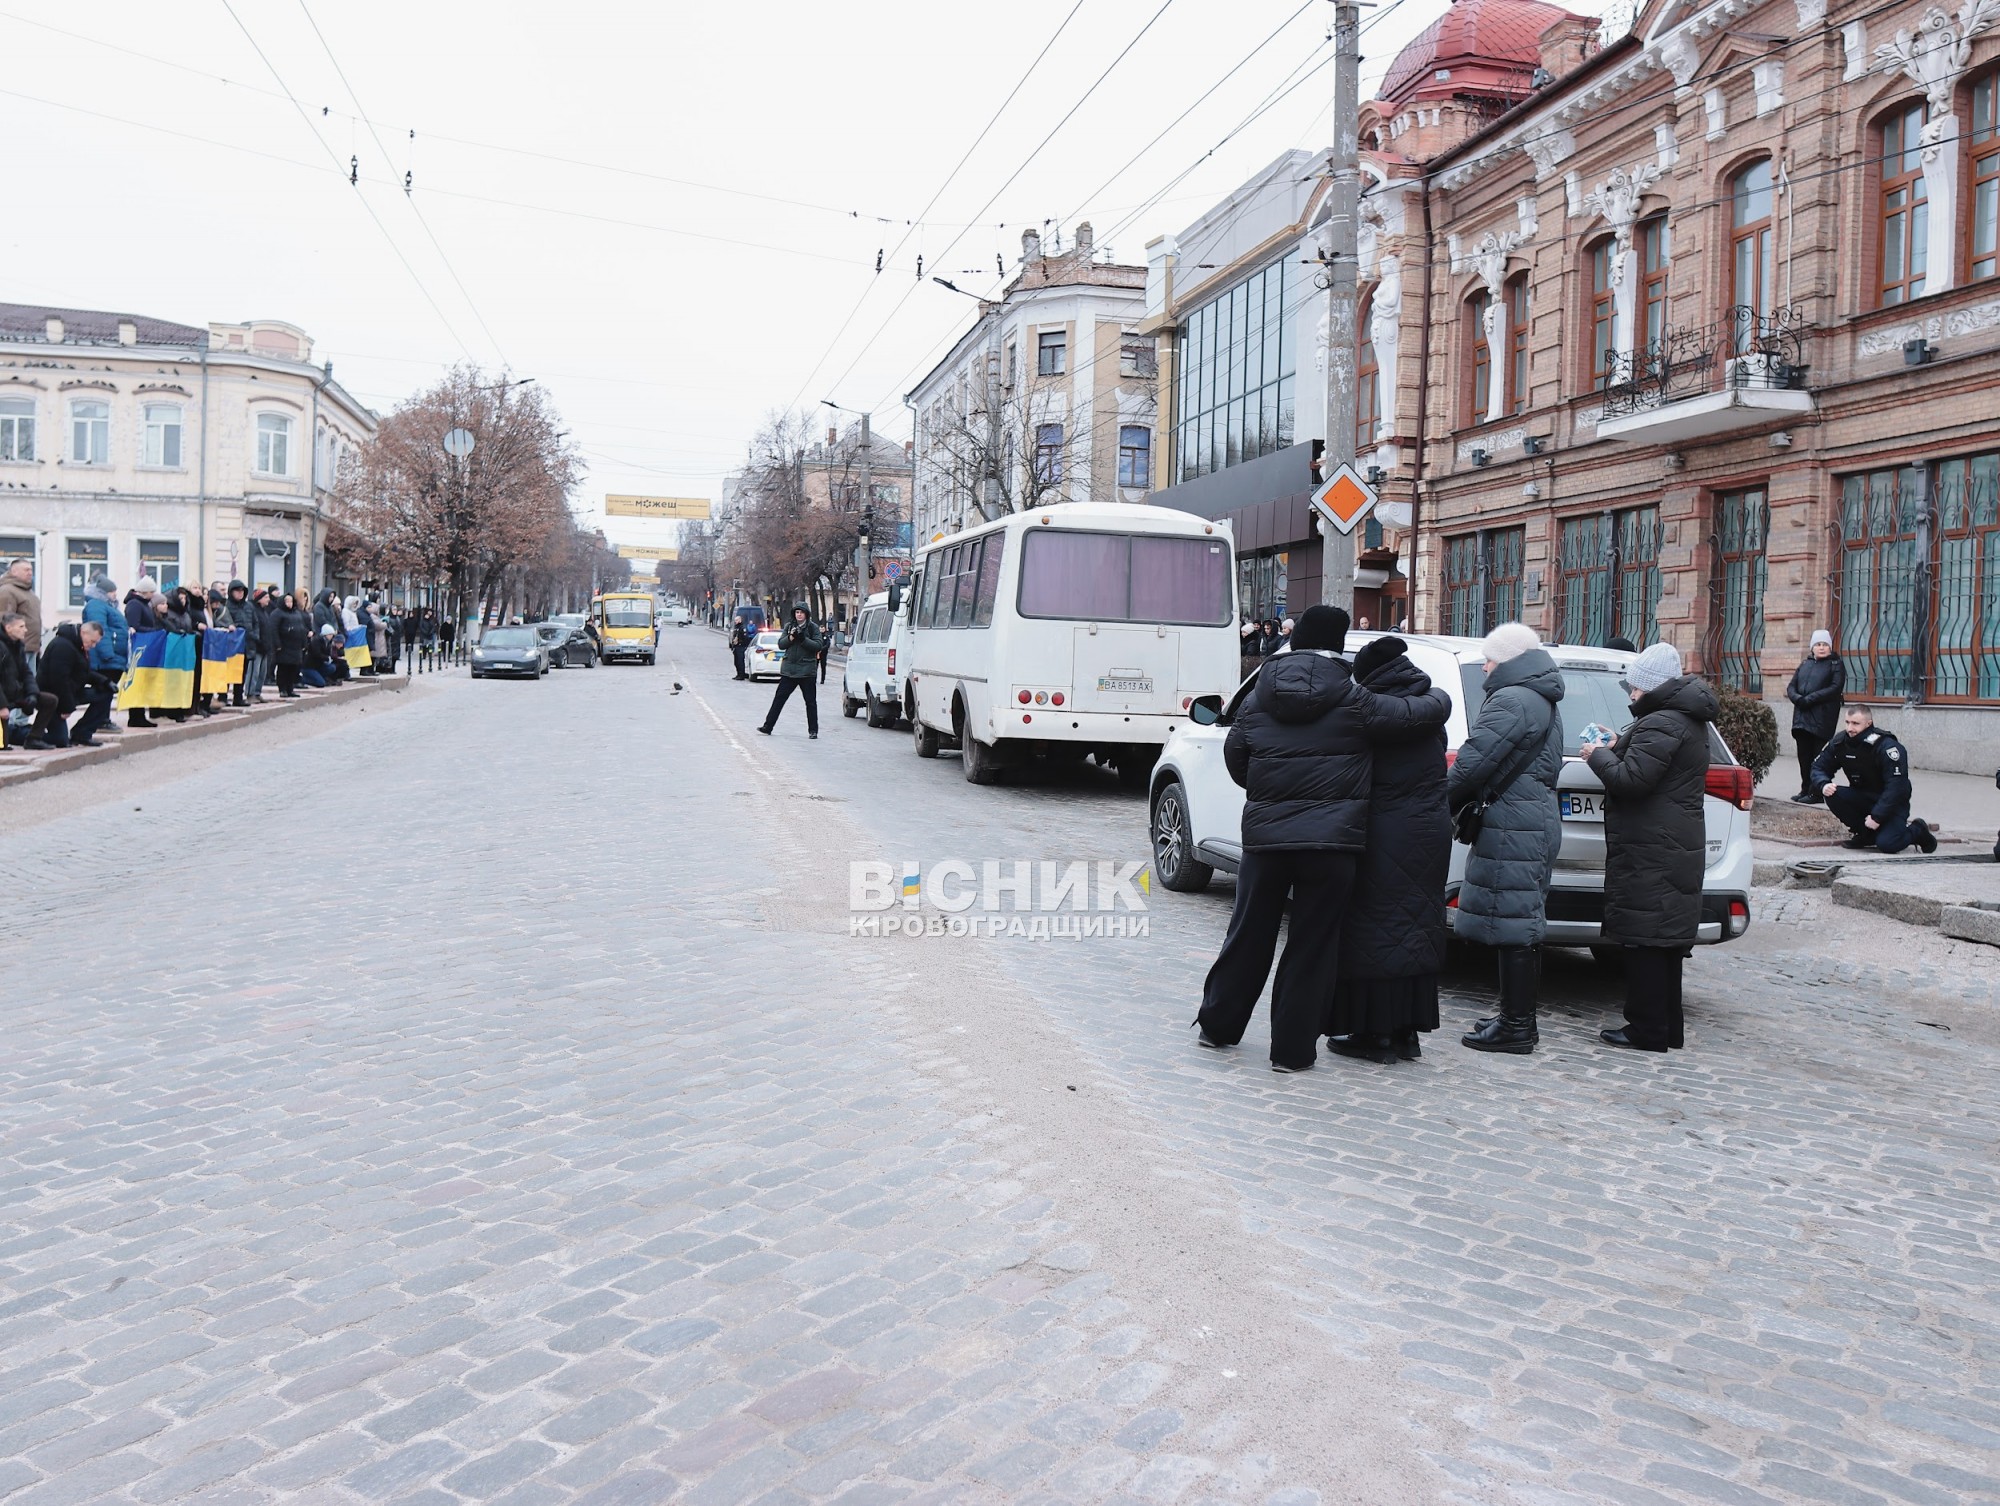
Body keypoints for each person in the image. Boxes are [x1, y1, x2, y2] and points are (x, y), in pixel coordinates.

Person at [1195, 606, 1450, 1072]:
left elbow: (1237, 760)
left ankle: (1217, 1026)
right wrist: (1440, 697)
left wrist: (1271, 791)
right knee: (1312, 947)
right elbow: (1421, 714)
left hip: (1266, 843)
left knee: (1248, 934)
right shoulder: (1356, 700)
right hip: (1332, 847)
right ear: (1340, 644)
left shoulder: (1257, 699)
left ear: (1294, 641)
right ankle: (1290, 1054)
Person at [1585, 642, 1718, 1052]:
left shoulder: (1663, 722)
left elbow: (1631, 780)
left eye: (1635, 687)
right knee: (1664, 942)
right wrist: (1618, 745)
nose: (1631, 695)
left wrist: (1596, 757)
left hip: (1653, 846)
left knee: (1646, 940)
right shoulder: (1683, 718)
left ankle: (1645, 1028)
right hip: (1671, 842)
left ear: (1651, 687)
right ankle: (1665, 1028)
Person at [1327, 635, 1453, 1064]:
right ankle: (1407, 1033)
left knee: (1373, 928)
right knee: (1416, 925)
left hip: (1382, 829)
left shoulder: (1370, 711)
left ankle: (1374, 1033)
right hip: (1430, 830)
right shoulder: (1430, 706)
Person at [1450, 623, 1566, 1055]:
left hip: (1514, 823)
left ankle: (1517, 1026)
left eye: (1491, 659)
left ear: (1510, 661)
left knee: (1515, 925)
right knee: (1522, 920)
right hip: (1530, 819)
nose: (1485, 665)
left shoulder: (1512, 699)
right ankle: (1514, 1017)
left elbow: (1470, 764)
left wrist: (1432, 802)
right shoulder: (1540, 696)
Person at [1811, 705, 1937, 853]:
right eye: (1847, 722)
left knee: (1888, 844)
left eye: (1855, 723)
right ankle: (1865, 834)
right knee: (1832, 793)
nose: (1850, 728)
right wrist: (1823, 784)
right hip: (1863, 796)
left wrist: (1877, 817)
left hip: (1891, 803)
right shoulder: (1840, 742)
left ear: (1868, 724)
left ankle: (1917, 830)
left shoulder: (1887, 746)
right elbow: (1818, 767)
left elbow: (1896, 787)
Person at [1784, 630, 1845, 804]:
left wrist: (1810, 699)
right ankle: (1805, 789)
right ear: (1812, 647)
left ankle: (1817, 793)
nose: (1821, 648)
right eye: (1818, 644)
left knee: (1818, 757)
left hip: (1822, 718)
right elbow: (1791, 686)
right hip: (1802, 718)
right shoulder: (1805, 664)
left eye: (1825, 644)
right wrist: (1797, 698)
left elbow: (1835, 688)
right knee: (1804, 757)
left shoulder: (1836, 665)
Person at [36, 620, 105, 747]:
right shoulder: (63, 646)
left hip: (71, 693)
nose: (93, 646)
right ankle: (21, 733)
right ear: (83, 633)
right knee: (60, 740)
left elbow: (83, 672)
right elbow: (59, 681)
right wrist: (66, 707)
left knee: (105, 694)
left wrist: (104, 681)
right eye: (92, 641)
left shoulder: (78, 645)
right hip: (53, 698)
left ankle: (82, 734)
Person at [757, 605, 823, 738]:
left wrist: (803, 639)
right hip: (789, 670)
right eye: (797, 612)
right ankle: (768, 726)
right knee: (779, 699)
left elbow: (818, 645)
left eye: (802, 613)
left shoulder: (812, 627)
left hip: (806, 671)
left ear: (806, 614)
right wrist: (791, 638)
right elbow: (781, 644)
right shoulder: (789, 626)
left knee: (810, 702)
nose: (799, 615)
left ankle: (813, 731)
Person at [0, 612, 58, 748]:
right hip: (2, 698)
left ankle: (33, 739)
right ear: (8, 628)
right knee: (3, 746)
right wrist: (2, 706)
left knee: (49, 700)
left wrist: (32, 694)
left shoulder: (18, 645)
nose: (25, 630)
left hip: (14, 694)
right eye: (21, 626)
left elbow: (26, 673)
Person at [80, 574, 127, 738]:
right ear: (103, 592)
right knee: (103, 691)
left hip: (112, 657)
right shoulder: (96, 606)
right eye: (112, 591)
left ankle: (101, 720)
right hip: (105, 659)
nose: (115, 594)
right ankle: (95, 723)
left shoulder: (107, 606)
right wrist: (108, 655)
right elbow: (100, 631)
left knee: (106, 691)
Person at [0, 557, 41, 673]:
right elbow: (5, 619)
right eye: (26, 570)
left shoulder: (28, 592)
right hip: (17, 648)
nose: (30, 573)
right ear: (14, 572)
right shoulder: (7, 591)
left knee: (29, 681)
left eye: (31, 570)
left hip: (31, 646)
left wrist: (37, 644)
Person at [273, 593, 310, 697]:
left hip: (296, 646)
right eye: (287, 601)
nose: (289, 603)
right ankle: (282, 689)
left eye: (291, 601)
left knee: (293, 669)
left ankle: (290, 689)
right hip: (284, 646)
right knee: (283, 669)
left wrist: (304, 643)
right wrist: (277, 644)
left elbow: (302, 628)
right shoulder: (278, 613)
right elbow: (273, 629)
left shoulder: (296, 613)